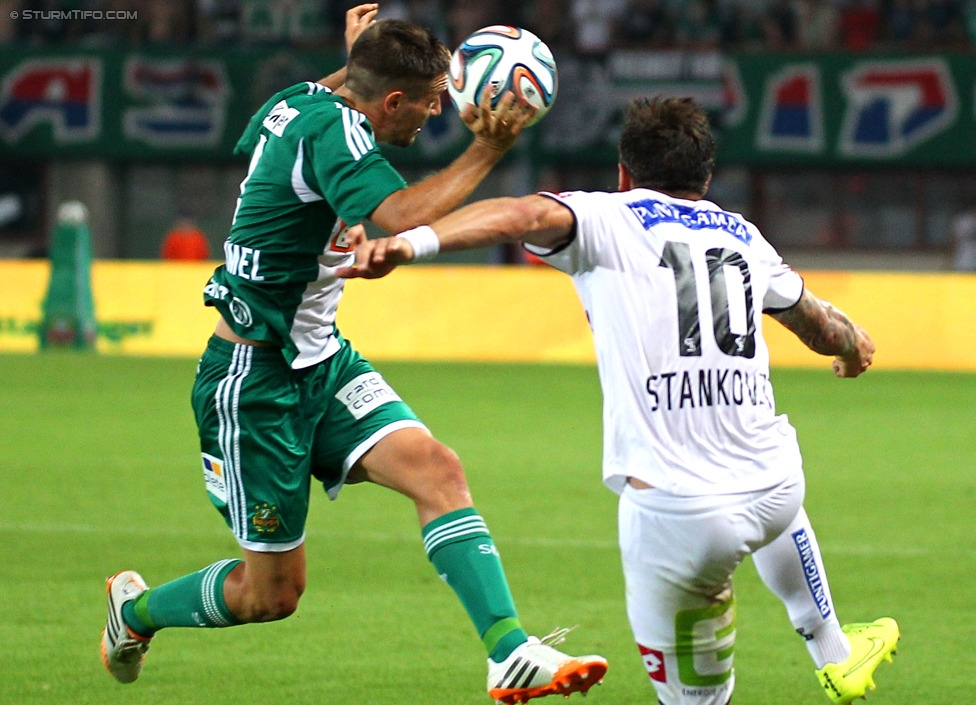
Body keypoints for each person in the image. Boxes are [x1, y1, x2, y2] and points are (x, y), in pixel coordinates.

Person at [100, 6, 608, 704]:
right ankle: (133, 613)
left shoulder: (304, 100)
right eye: (430, 102)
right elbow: (398, 218)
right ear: (391, 100)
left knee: (438, 467)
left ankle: (508, 651)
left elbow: (331, 100)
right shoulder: (335, 133)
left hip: (323, 363)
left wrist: (359, 55)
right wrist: (489, 149)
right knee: (270, 595)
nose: (437, 113)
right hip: (255, 384)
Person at [339, 96, 900, 705]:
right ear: (705, 178)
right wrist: (851, 344)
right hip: (775, 488)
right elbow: (818, 325)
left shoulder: (608, 216)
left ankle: (820, 655)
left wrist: (411, 244)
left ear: (625, 173)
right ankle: (835, 652)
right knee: (775, 488)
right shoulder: (744, 235)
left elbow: (519, 215)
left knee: (698, 701)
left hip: (679, 518)